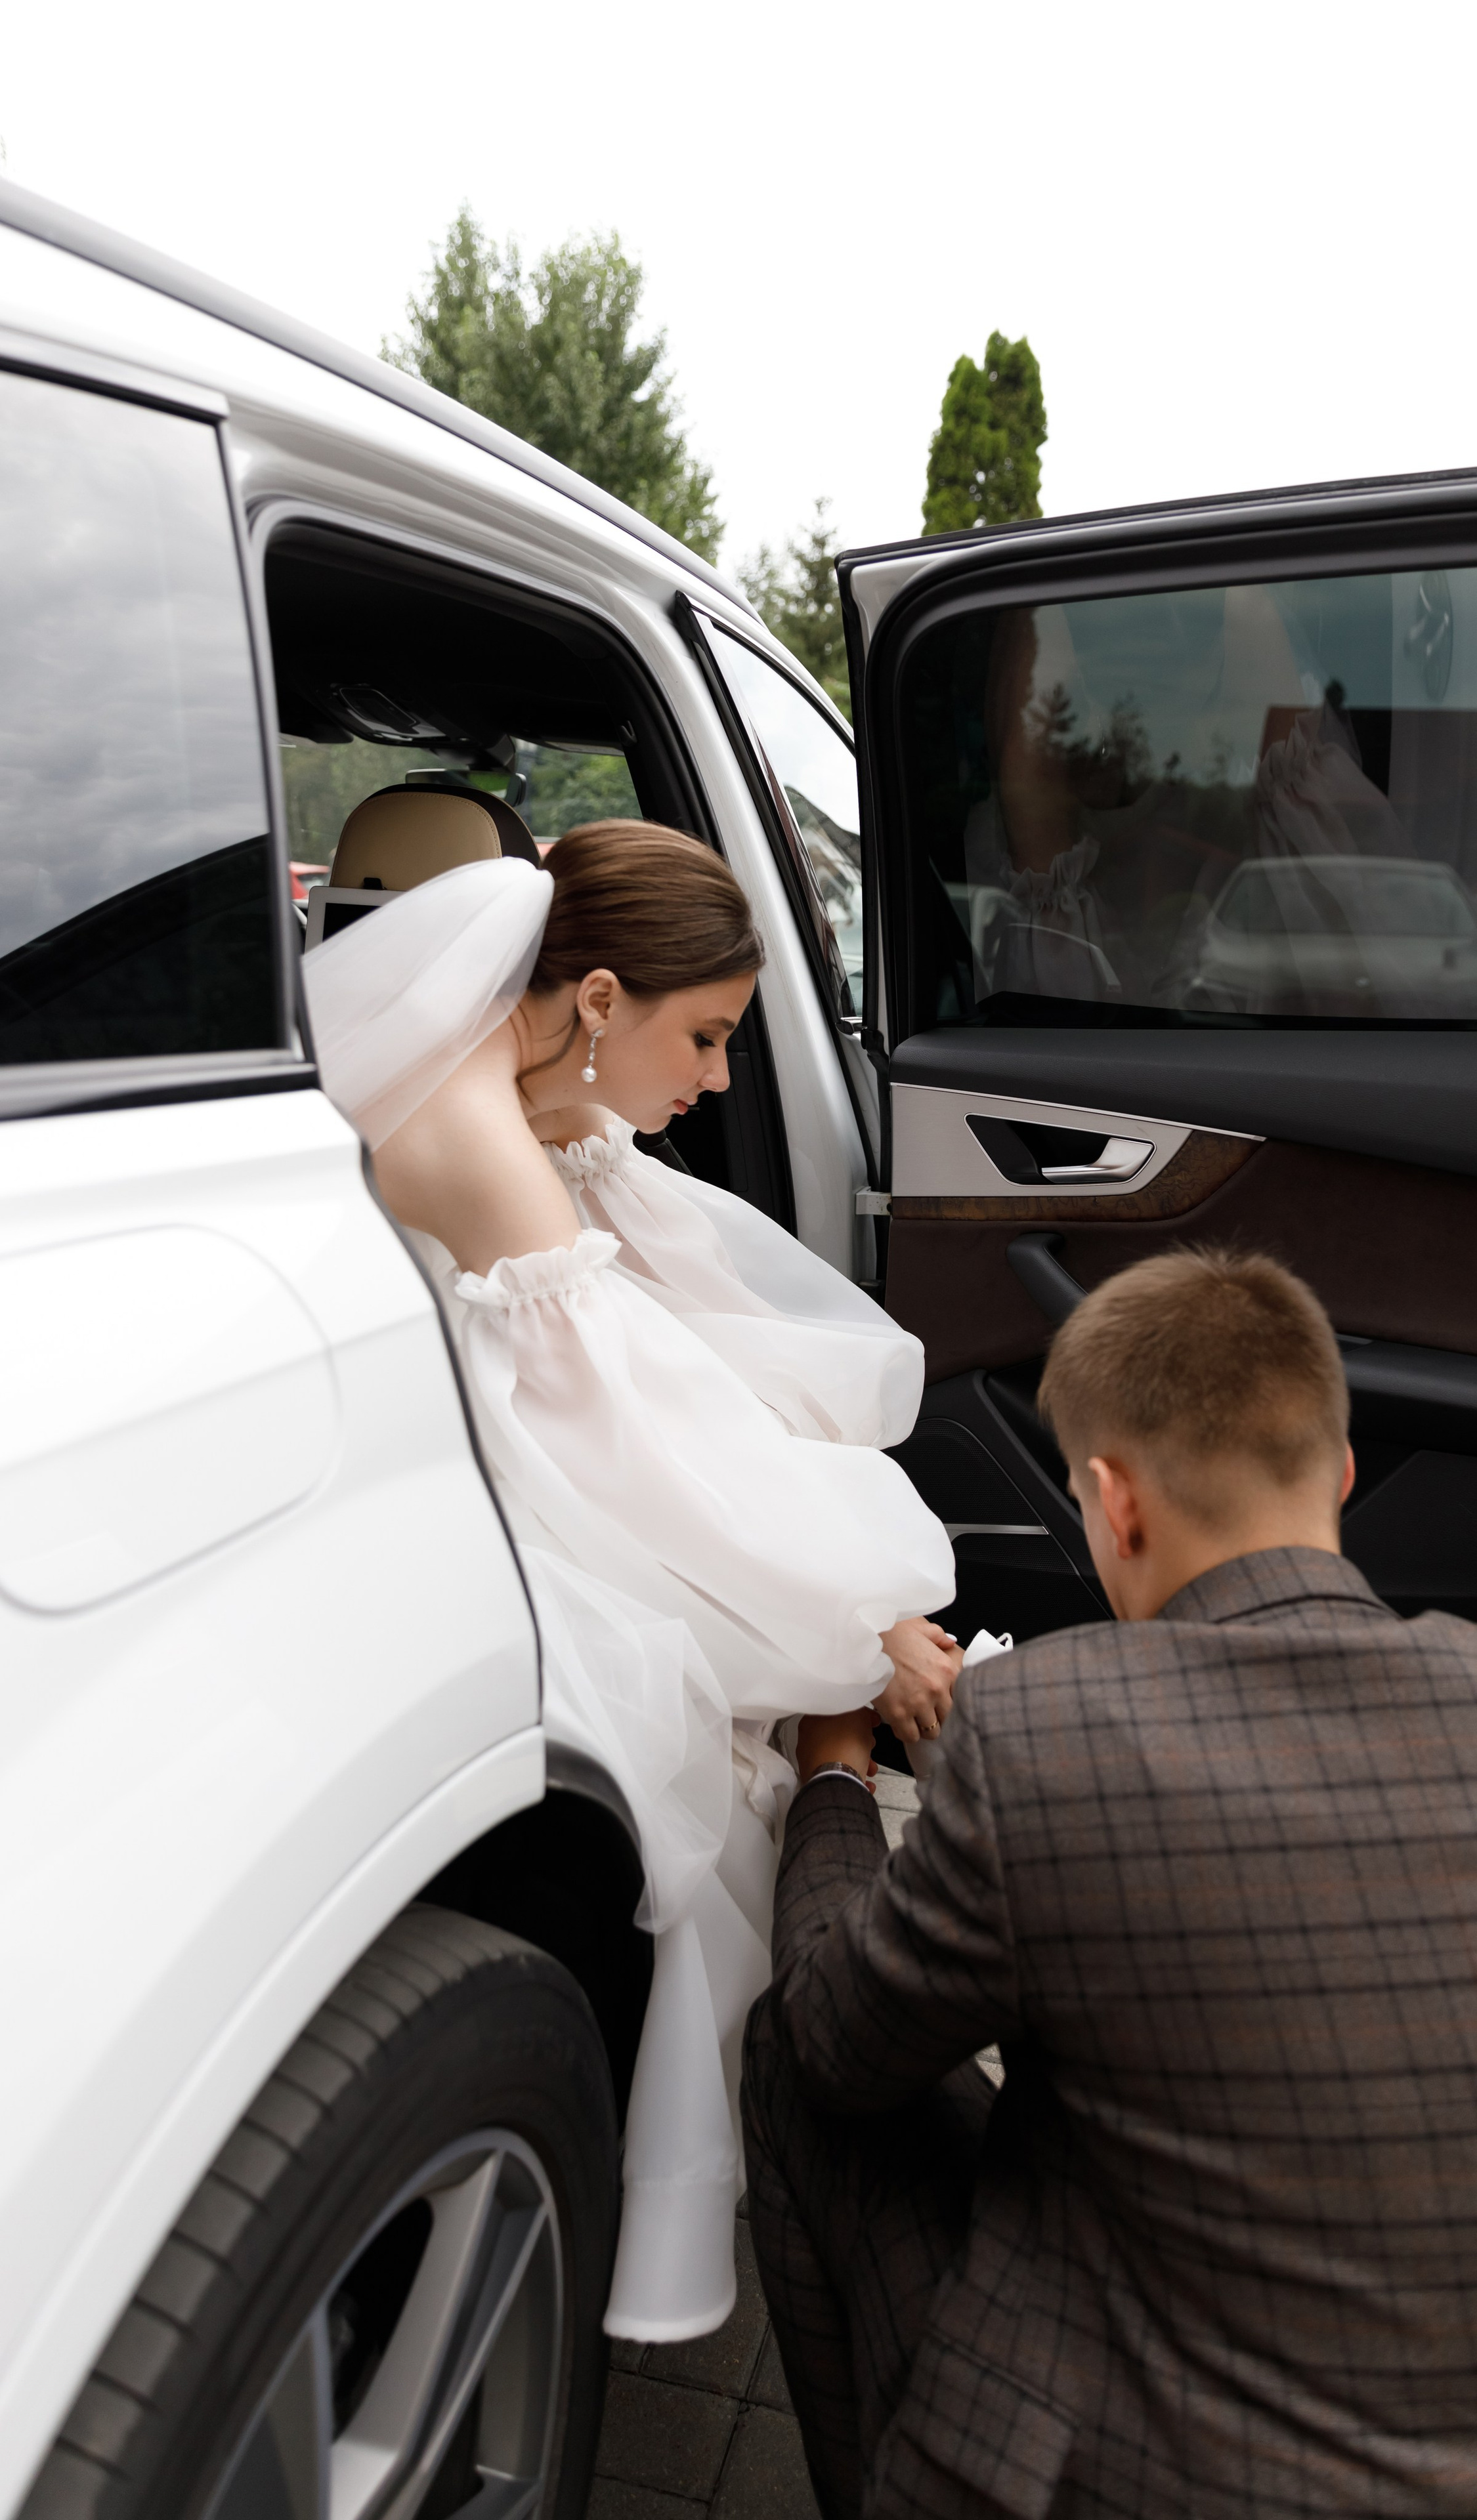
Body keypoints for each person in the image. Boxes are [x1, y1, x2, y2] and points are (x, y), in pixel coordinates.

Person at [743, 1246, 1477, 2518]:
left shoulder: (1041, 1730)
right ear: (1339, 1473)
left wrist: (838, 1770)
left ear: (1110, 1502)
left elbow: (839, 2043)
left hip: (1184, 2485)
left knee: (793, 2040)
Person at [301, 817, 961, 2340]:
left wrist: (842, 1584)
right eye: (710, 1035)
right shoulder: (476, 1145)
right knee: (698, 1770)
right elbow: (649, 1461)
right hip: (487, 1519)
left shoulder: (524, 1093)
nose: (720, 1082)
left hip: (511, 1476)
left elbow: (688, 1338)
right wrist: (861, 1631)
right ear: (595, 999)